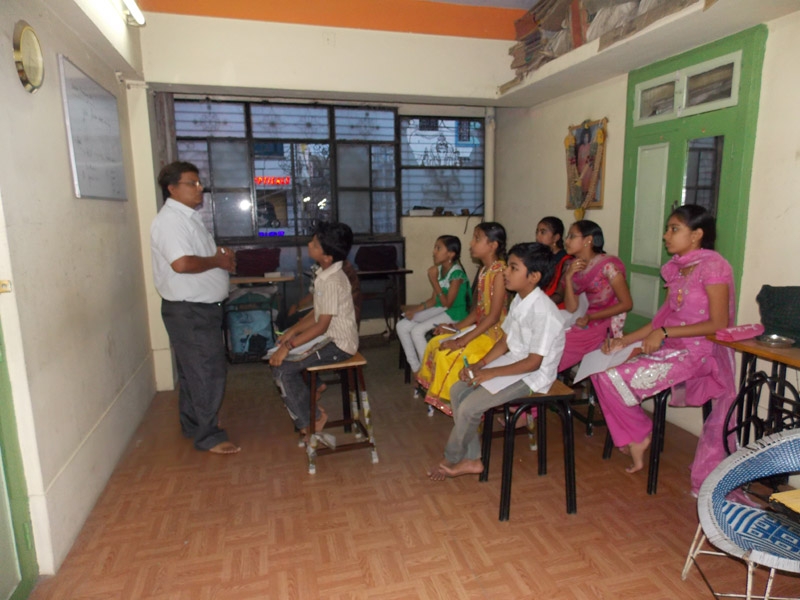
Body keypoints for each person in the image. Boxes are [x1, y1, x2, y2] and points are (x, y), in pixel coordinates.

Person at [590, 205, 736, 494]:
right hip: (670, 345)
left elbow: (718, 323)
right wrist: (624, 340)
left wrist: (665, 333)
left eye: (674, 229)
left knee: (611, 378)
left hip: (699, 353)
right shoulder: (679, 268)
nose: (666, 235)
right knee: (600, 369)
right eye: (668, 229)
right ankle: (636, 434)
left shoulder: (714, 267)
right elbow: (661, 321)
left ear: (696, 234)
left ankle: (640, 435)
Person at [428, 243, 566, 480]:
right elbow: (505, 340)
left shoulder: (544, 311)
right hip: (514, 363)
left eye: (513, 268)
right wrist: (480, 365)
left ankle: (451, 457)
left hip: (532, 376)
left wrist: (491, 373)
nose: (505, 272)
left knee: (471, 407)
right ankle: (473, 459)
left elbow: (533, 363)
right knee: (458, 389)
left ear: (533, 277)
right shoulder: (520, 300)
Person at [150, 161, 240, 454]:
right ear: (172, 188)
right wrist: (217, 261)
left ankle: (193, 424)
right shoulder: (170, 222)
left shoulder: (189, 218)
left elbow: (197, 256)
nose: (199, 188)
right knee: (207, 372)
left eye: (199, 183)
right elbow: (182, 263)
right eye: (192, 183)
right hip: (190, 310)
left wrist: (220, 256)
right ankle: (209, 436)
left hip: (198, 308)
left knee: (193, 373)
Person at [269, 222, 359, 444]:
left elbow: (321, 325)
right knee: (280, 357)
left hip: (339, 345)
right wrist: (291, 332)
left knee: (283, 369)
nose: (310, 244)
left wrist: (288, 346)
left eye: (315, 244)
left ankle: (313, 420)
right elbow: (317, 314)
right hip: (327, 338)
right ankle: (313, 396)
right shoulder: (324, 273)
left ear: (327, 257)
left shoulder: (331, 281)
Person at [417, 222, 509, 416]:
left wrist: (460, 341)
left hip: (495, 336)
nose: (471, 243)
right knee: (435, 343)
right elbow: (478, 311)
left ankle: (463, 405)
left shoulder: (499, 273)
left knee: (447, 355)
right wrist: (454, 328)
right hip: (481, 329)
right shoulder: (484, 271)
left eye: (477, 238)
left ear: (493, 245)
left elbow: (493, 317)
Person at [558, 219, 633, 372]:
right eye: (567, 236)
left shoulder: (608, 266)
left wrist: (591, 317)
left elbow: (627, 304)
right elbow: (571, 308)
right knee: (553, 337)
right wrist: (568, 277)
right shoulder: (573, 267)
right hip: (585, 319)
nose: (566, 241)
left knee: (562, 344)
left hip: (608, 321)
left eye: (572, 236)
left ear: (588, 240)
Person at [397, 235, 470, 377]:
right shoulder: (440, 269)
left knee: (417, 331)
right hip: (443, 309)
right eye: (435, 248)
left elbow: (448, 303)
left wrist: (434, 281)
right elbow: (433, 300)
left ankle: (430, 372)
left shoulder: (457, 274)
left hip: (456, 313)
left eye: (438, 248)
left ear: (450, 254)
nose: (434, 252)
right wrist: (414, 311)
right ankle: (417, 369)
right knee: (402, 326)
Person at [277, 259, 361, 332]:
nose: (310, 247)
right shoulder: (322, 267)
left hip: (335, 313)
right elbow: (315, 294)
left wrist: (301, 323)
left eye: (315, 246)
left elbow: (324, 308)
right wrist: (297, 306)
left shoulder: (338, 271)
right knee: (282, 316)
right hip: (321, 307)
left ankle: (286, 340)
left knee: (290, 321)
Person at [536, 216, 569, 308]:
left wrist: (538, 305)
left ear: (556, 237)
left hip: (556, 307)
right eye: (537, 232)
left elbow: (560, 295)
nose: (538, 236)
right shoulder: (539, 256)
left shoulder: (566, 260)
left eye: (543, 232)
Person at [576, 128, 593, 194]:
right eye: (584, 137)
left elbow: (590, 160)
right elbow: (579, 160)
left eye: (587, 137)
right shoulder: (581, 147)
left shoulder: (590, 147)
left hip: (587, 169)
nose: (586, 139)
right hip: (581, 168)